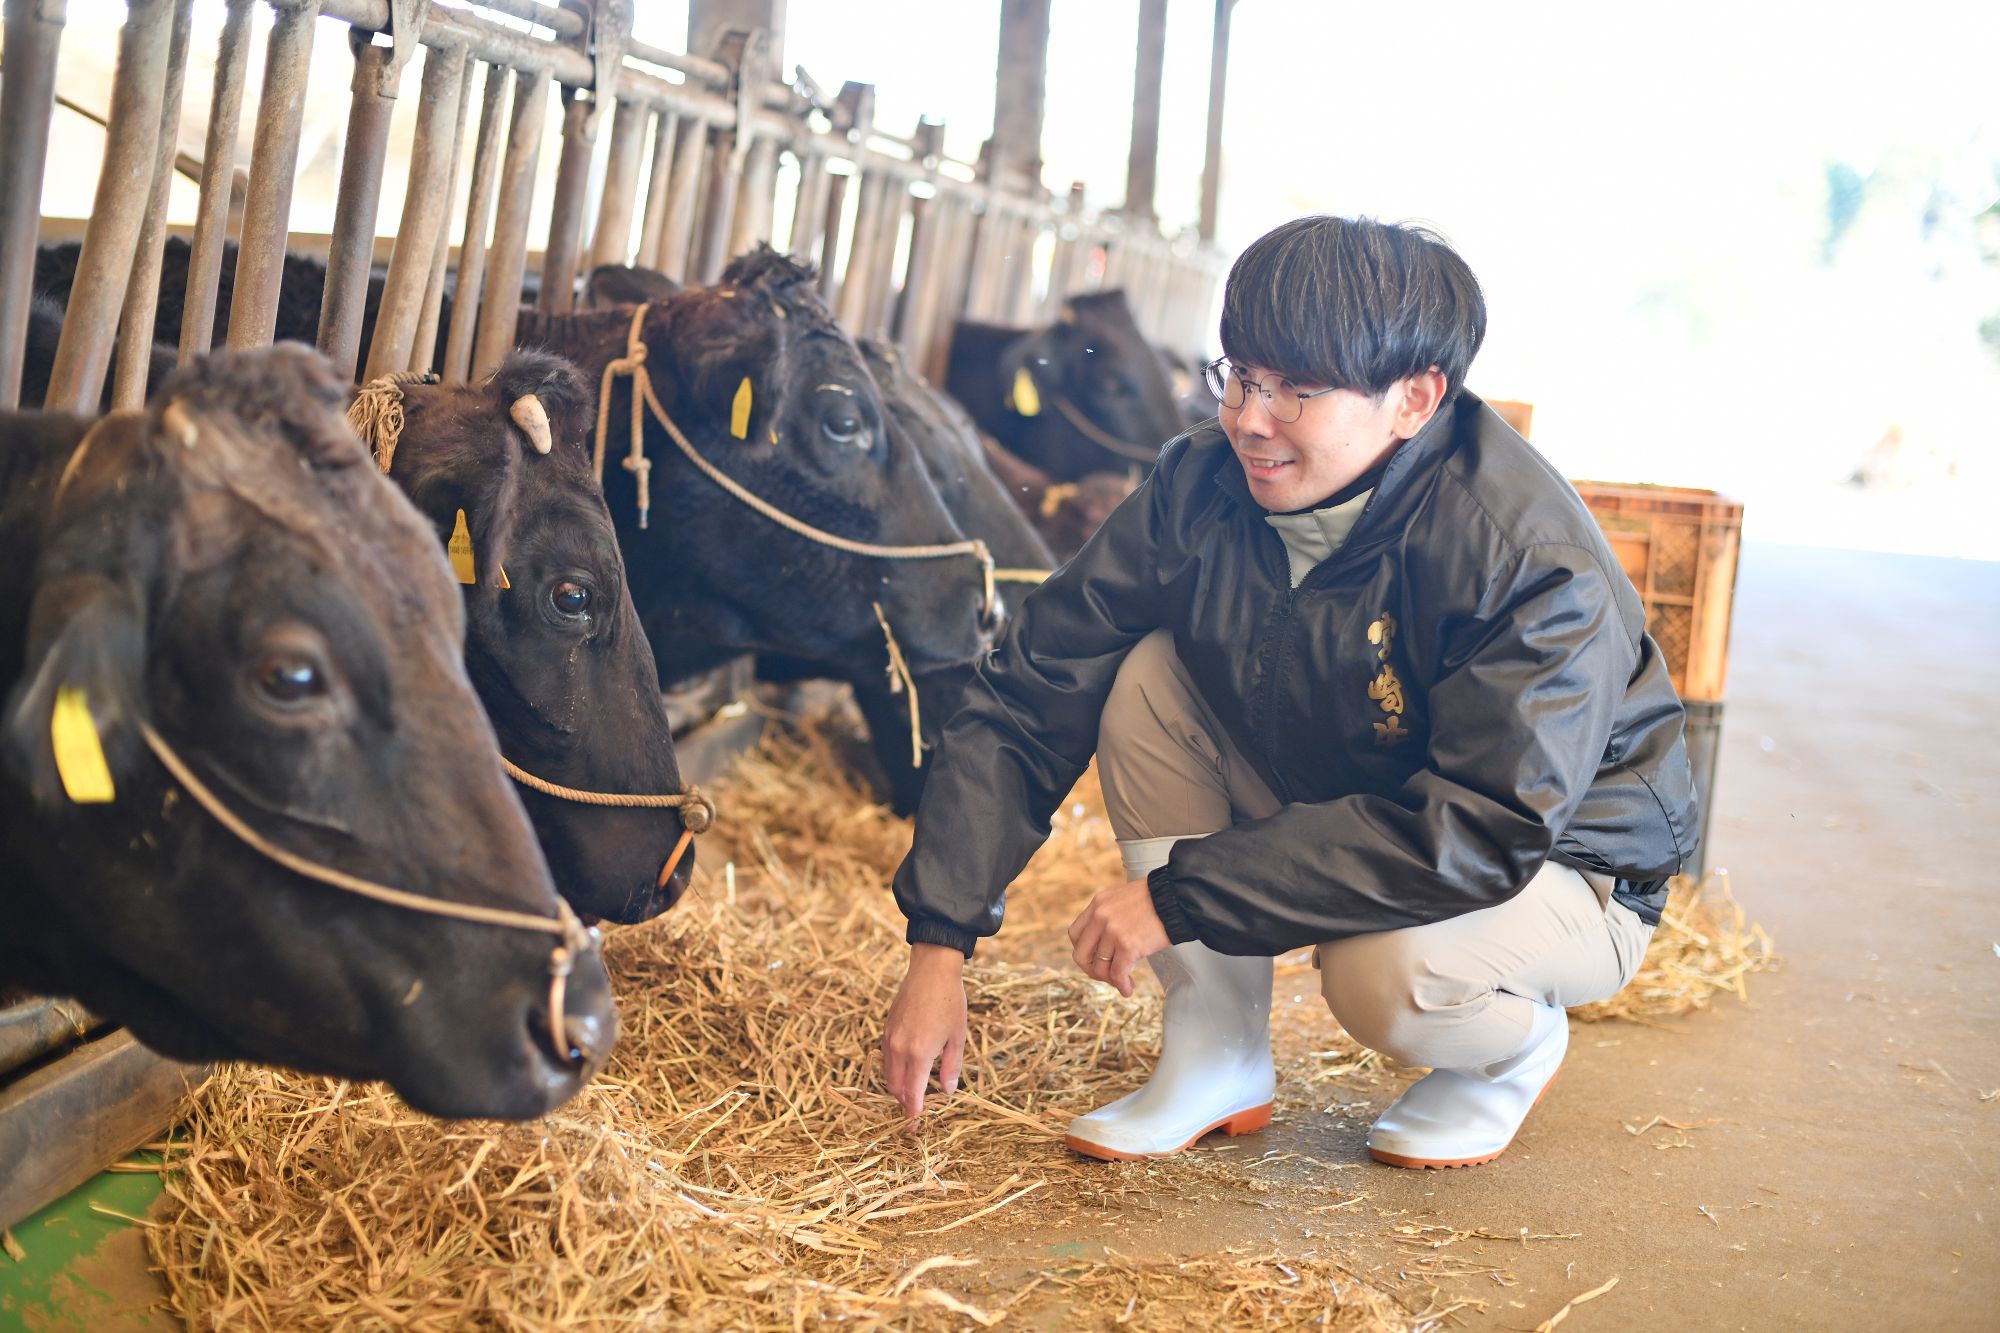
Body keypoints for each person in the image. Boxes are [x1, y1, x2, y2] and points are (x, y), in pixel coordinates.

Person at [880, 216, 1697, 1169]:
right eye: (1241, 376)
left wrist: (1182, 895)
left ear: (1415, 400)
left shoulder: (1525, 560)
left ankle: (1508, 1053)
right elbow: (1032, 688)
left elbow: (1480, 829)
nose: (1249, 419)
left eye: (1297, 392)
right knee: (1146, 676)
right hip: (1356, 779)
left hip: (1557, 863)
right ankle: (1217, 1050)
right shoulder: (1201, 482)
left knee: (1385, 971)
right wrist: (940, 941)